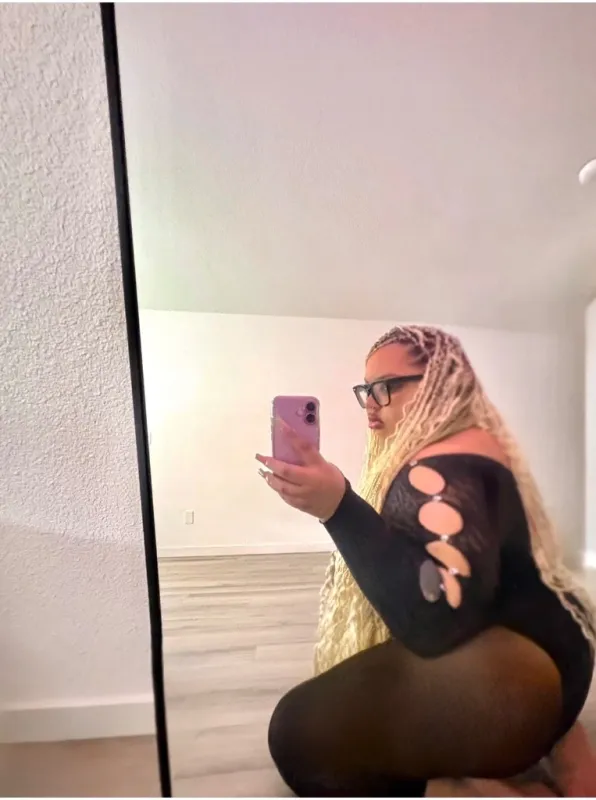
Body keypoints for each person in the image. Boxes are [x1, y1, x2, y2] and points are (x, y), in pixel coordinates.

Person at [256, 324, 595, 798]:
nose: (370, 403)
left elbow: (436, 621)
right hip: (560, 654)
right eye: (366, 389)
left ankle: (467, 784)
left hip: (523, 676)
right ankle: (555, 742)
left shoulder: (439, 468)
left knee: (296, 736)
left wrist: (338, 509)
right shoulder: (475, 443)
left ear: (440, 383)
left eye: (386, 387)